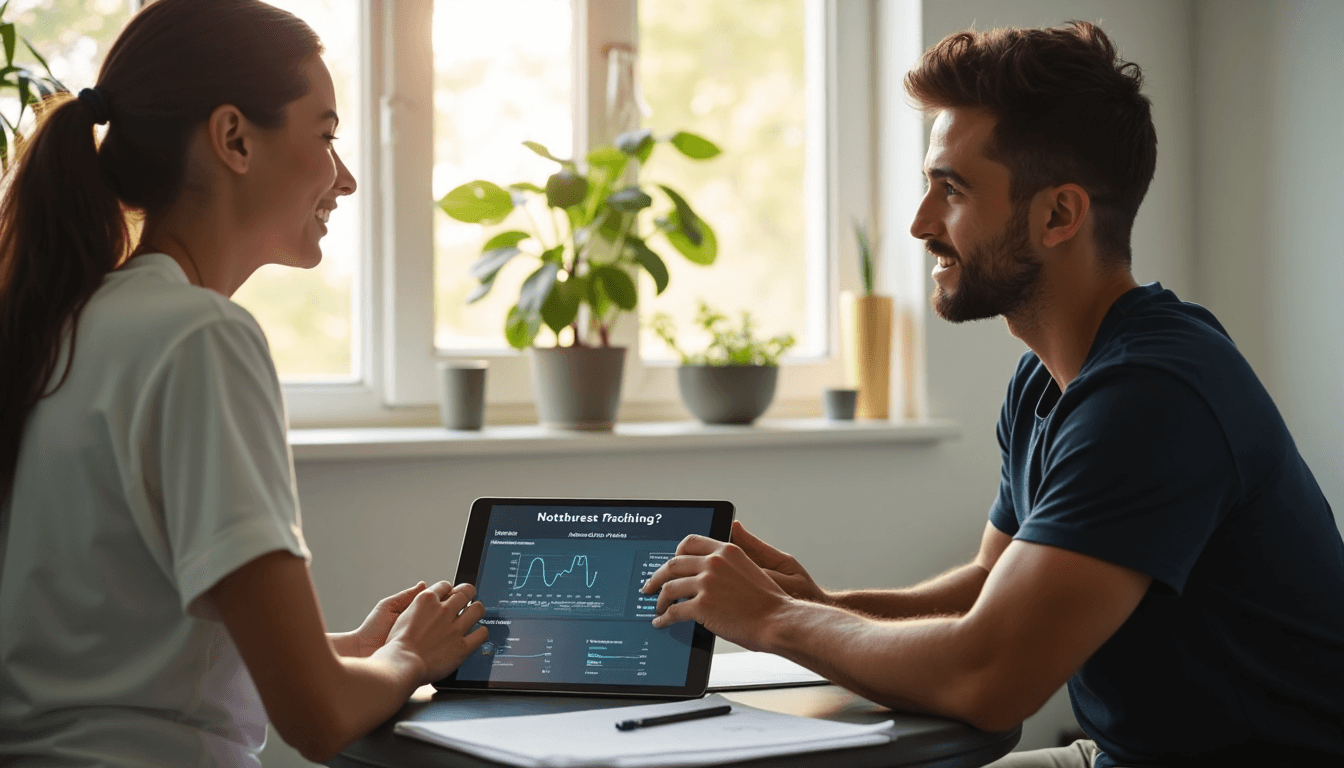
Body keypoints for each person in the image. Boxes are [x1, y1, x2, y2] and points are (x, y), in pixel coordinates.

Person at [643, 21, 1344, 768]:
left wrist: (777, 620)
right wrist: (820, 606)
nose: (920, 225)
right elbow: (986, 591)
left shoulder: (1152, 395)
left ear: (1058, 215)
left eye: (952, 190)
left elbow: (989, 679)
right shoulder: (1049, 376)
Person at [0, 1, 486, 765]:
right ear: (233, 138)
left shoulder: (68, 325)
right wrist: (409, 660)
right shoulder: (202, 338)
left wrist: (354, 647)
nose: (346, 178)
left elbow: (121, 654)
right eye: (325, 136)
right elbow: (319, 718)